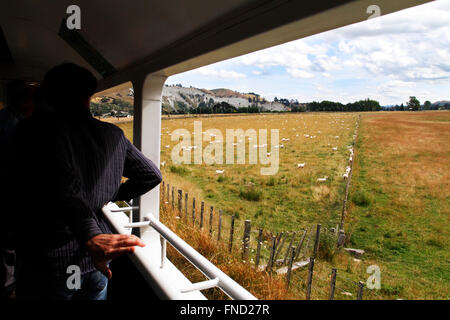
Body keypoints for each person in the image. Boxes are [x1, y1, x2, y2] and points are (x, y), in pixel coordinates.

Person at [8, 63, 162, 300]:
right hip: (95, 262)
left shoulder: (34, 131)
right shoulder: (113, 135)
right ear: (89, 95)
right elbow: (152, 175)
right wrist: (108, 193)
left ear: (49, 94)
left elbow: (61, 186)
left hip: (48, 261)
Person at [0, 80, 35, 299]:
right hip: (11, 193)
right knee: (9, 243)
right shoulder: (16, 126)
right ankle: (9, 287)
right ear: (25, 102)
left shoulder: (7, 119)